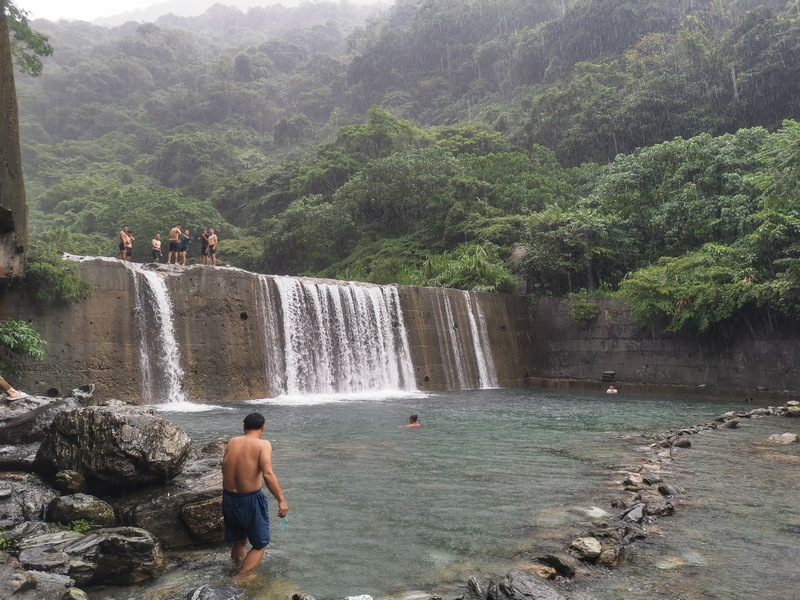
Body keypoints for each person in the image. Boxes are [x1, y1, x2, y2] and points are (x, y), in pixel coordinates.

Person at [221, 412, 289, 582]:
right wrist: (281, 499)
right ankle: (240, 577)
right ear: (263, 428)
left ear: (243, 427)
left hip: (229, 498)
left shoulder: (232, 442)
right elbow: (267, 473)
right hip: (250, 499)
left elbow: (224, 468)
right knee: (260, 543)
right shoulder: (263, 444)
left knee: (239, 539)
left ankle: (235, 567)